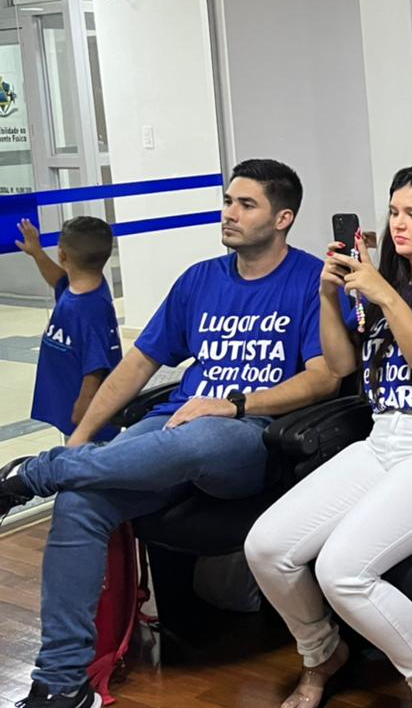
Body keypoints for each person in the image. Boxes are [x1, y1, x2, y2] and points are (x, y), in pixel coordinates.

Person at [0, 160, 337, 708]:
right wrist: (79, 438)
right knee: (80, 502)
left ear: (283, 218)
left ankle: (33, 474)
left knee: (197, 438)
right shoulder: (198, 279)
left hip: (247, 435)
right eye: (227, 201)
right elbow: (136, 366)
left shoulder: (310, 281)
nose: (229, 213)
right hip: (173, 427)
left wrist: (234, 404)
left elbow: (325, 378)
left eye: (246, 204)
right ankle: (62, 682)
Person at [244, 164, 412, 708]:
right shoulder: (392, 280)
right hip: (385, 435)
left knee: (342, 569)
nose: (398, 224)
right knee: (266, 547)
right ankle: (322, 653)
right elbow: (341, 365)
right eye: (393, 212)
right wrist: (327, 296)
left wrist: (387, 297)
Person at [16, 216, 121, 442]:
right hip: (70, 401)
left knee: (87, 458)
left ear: (62, 255)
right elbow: (59, 280)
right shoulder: (82, 286)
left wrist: (84, 408)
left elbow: (96, 367)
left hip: (86, 419)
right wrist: (37, 253)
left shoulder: (90, 310)